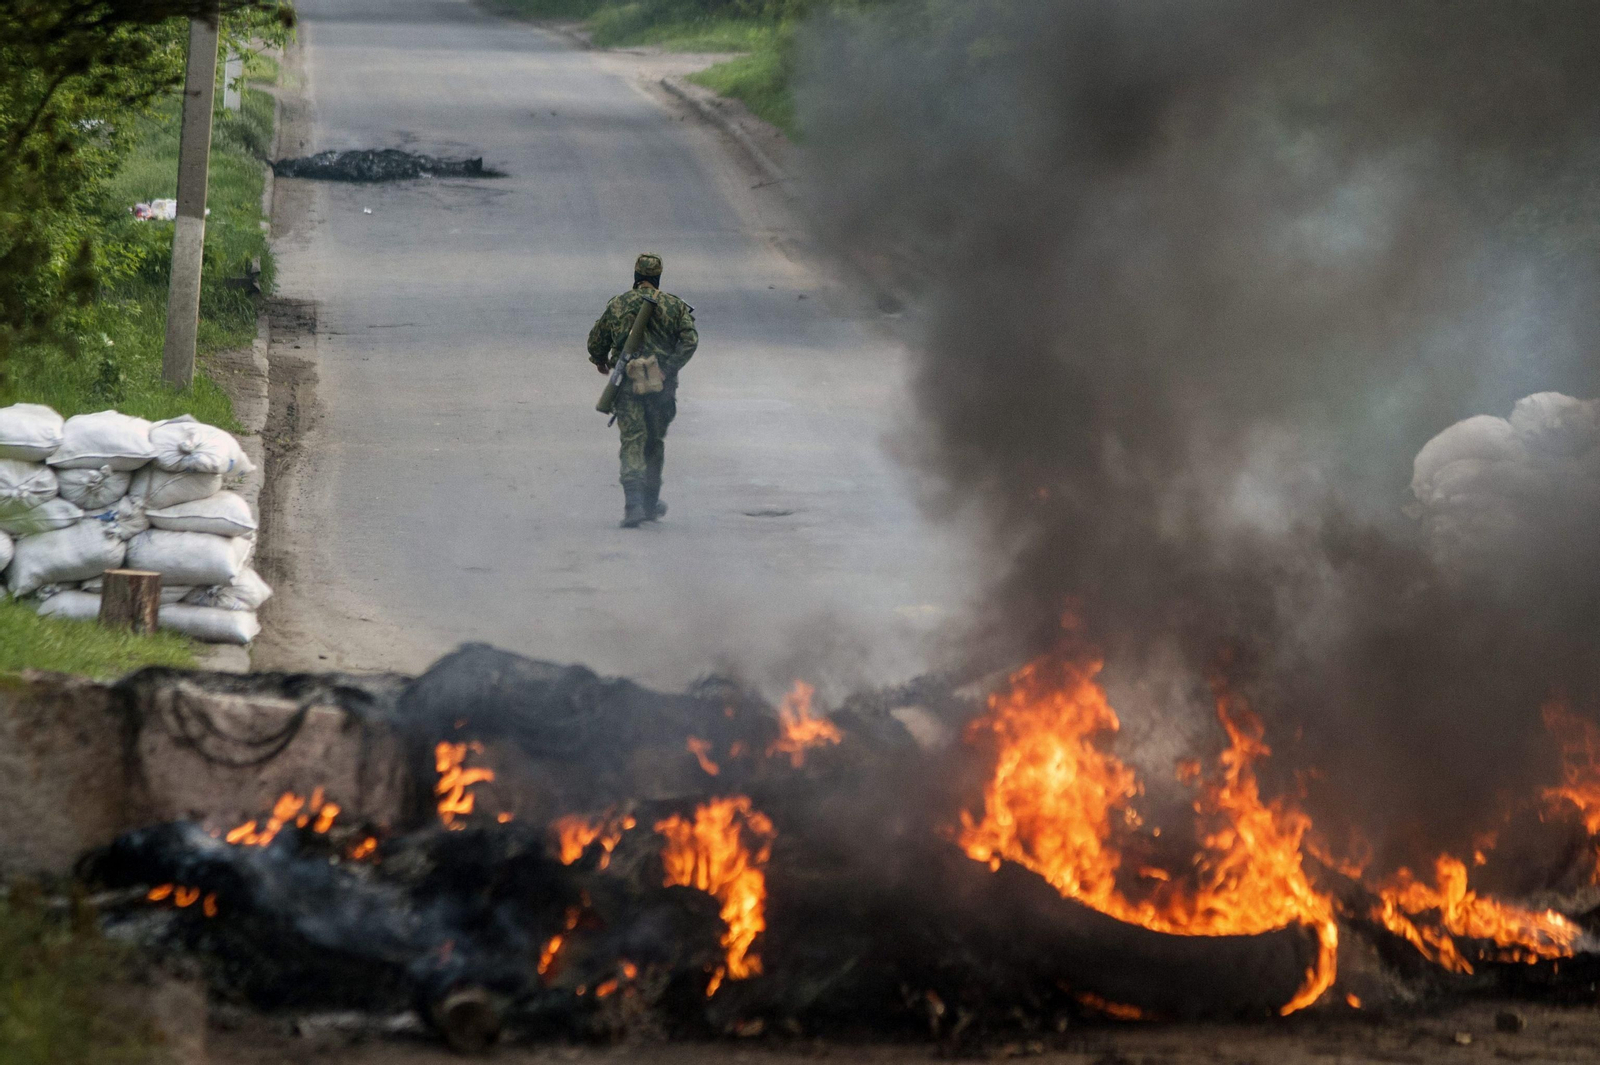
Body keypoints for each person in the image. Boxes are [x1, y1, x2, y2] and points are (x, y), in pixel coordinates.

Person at [587, 253, 699, 527]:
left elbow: (596, 341)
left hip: (627, 383)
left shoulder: (618, 303)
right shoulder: (674, 306)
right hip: (661, 386)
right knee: (654, 442)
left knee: (633, 440)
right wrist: (668, 368)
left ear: (636, 277)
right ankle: (650, 502)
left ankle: (633, 504)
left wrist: (601, 360)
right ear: (658, 277)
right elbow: (690, 341)